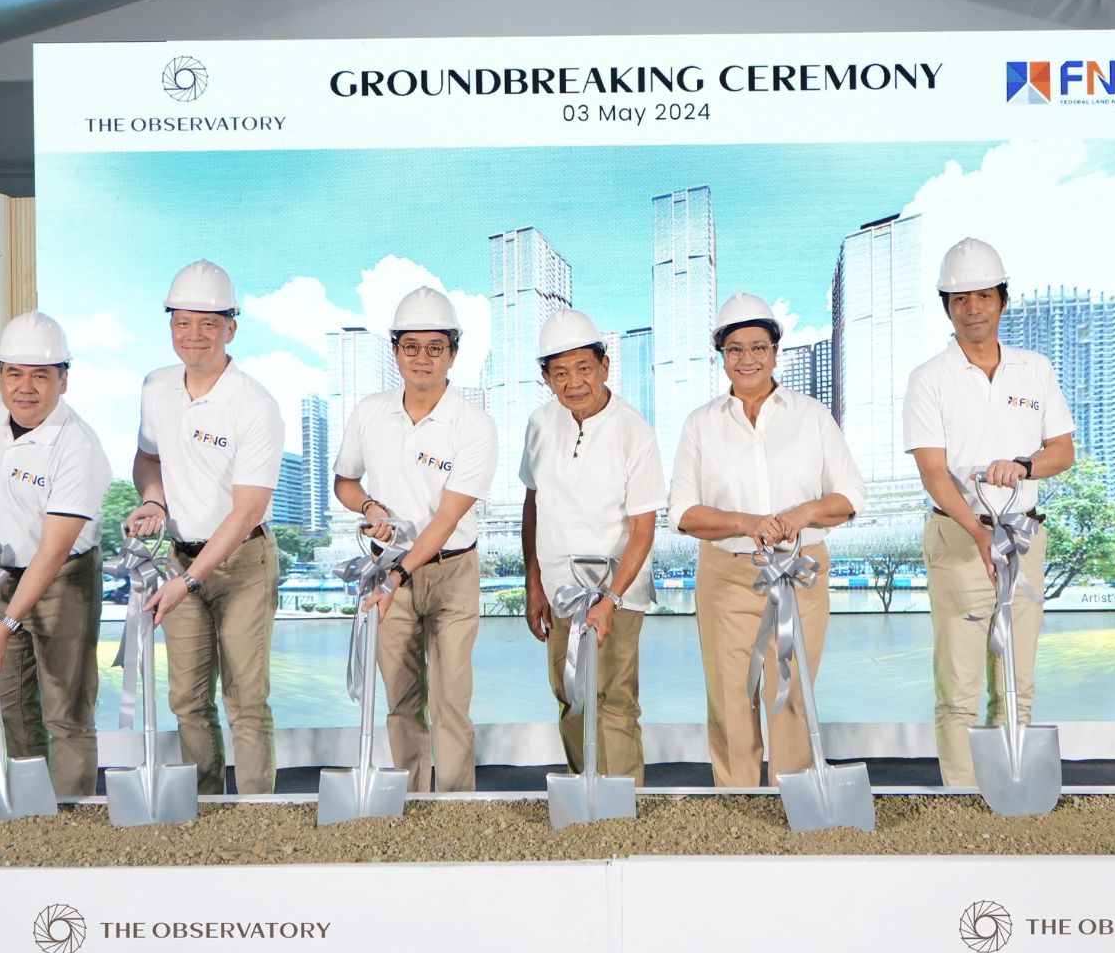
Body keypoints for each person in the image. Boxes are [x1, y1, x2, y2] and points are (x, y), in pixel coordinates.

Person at [669, 292, 866, 788]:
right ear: (722, 358)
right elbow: (684, 514)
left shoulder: (812, 416)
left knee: (793, 691)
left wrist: (798, 515)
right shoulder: (701, 424)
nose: (747, 359)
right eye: (735, 349)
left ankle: (794, 798)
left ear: (776, 351)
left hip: (800, 571)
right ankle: (738, 803)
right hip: (727, 575)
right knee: (731, 694)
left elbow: (849, 497)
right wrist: (748, 522)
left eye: (758, 346)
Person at [903, 237, 1075, 788]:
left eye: (982, 295)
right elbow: (933, 472)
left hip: (1024, 537)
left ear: (1002, 300)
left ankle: (1012, 792)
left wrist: (1023, 466)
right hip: (959, 537)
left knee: (1017, 679)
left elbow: (1062, 452)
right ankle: (962, 798)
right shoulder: (929, 378)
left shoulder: (1035, 369)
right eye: (959, 298)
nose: (972, 307)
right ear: (947, 307)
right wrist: (977, 530)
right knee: (959, 686)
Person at [126, 259, 286, 795]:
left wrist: (189, 580)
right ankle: (207, 810)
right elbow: (147, 459)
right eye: (182, 323)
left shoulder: (255, 404)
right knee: (187, 699)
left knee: (244, 697)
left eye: (208, 323)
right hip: (179, 555)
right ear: (170, 326)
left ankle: (257, 812)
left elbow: (246, 511)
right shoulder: (157, 387)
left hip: (242, 561)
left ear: (231, 328)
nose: (193, 335)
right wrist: (153, 500)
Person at [0, 311, 109, 797]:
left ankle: (71, 813)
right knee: (9, 700)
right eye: (13, 373)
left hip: (62, 578)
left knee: (65, 706)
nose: (24, 387)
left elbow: (52, 552)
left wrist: (6, 623)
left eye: (40, 375)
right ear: (0, 375)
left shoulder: (78, 447)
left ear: (63, 381)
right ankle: (33, 808)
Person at [333, 286, 498, 793]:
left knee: (450, 701)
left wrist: (399, 573)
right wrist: (368, 507)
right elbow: (344, 481)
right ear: (396, 351)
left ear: (453, 353)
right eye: (411, 347)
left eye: (434, 348)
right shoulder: (369, 412)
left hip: (450, 573)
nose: (422, 358)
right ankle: (412, 803)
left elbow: (446, 520)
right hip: (389, 572)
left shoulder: (474, 426)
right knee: (402, 701)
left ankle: (454, 810)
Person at [521, 309, 665, 783]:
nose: (574, 382)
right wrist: (534, 584)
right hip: (561, 592)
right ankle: (584, 800)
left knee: (614, 699)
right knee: (571, 695)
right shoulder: (540, 424)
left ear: (604, 366)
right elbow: (534, 506)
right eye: (560, 373)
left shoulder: (635, 431)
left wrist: (611, 600)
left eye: (584, 368)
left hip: (617, 590)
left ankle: (623, 805)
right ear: (546, 378)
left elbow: (643, 528)